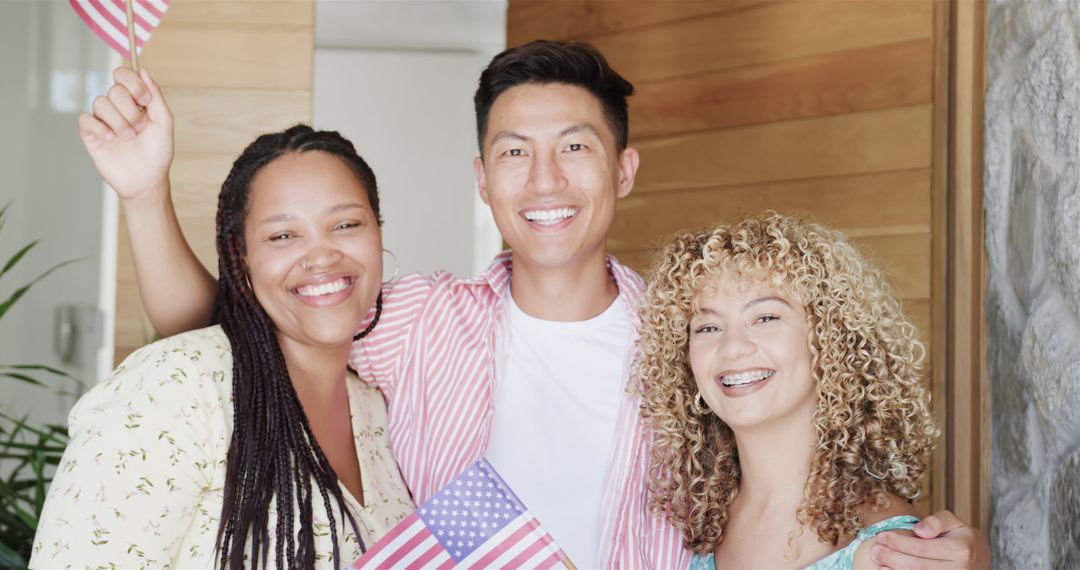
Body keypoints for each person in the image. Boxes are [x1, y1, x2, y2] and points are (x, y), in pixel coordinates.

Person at [80, 41, 990, 568]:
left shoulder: (691, 340)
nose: (544, 179)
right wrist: (143, 192)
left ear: (624, 169)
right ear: (483, 179)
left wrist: (928, 542)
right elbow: (235, 334)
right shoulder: (420, 320)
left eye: (575, 148)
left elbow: (802, 476)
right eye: (514, 152)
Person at [30, 76, 412, 569]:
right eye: (282, 236)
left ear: (378, 232)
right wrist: (145, 194)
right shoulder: (177, 388)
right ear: (242, 260)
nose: (321, 256)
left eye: (346, 224)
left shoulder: (381, 410)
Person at [639, 214, 939, 569]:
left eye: (766, 318)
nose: (732, 347)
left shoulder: (890, 554)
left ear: (830, 340)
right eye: (707, 326)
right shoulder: (682, 528)